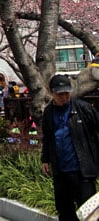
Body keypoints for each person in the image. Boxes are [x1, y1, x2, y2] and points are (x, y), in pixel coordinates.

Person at [41, 75, 99, 221]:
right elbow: (48, 138)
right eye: (59, 94)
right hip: (61, 173)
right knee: (64, 211)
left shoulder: (83, 108)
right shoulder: (48, 113)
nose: (64, 97)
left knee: (88, 213)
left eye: (66, 93)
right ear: (51, 92)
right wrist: (45, 159)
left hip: (82, 171)